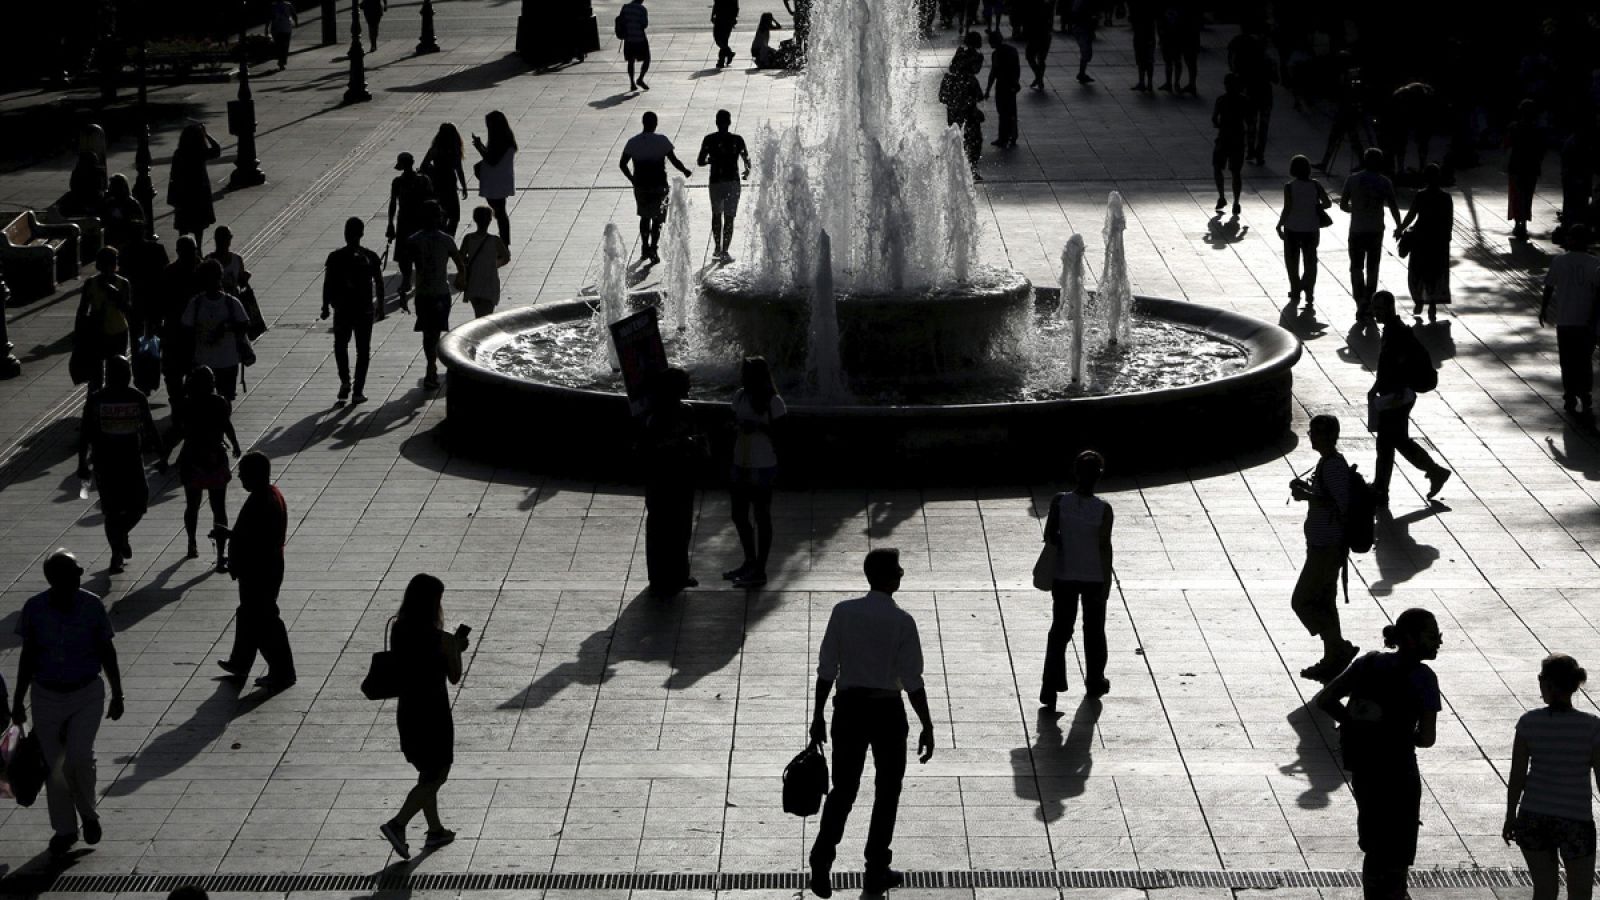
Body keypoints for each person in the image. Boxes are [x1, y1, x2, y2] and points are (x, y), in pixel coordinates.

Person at [807, 548, 935, 899]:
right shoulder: (902, 622)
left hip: (847, 709)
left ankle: (822, 856)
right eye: (897, 569)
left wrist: (818, 715)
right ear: (887, 577)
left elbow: (826, 668)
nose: (902, 573)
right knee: (887, 791)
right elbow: (913, 680)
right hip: (887, 713)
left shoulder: (843, 613)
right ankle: (876, 866)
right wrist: (927, 724)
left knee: (844, 789)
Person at [1316, 608, 1443, 900]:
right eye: (1432, 635)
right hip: (1399, 772)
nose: (1438, 642)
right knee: (1397, 848)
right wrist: (1397, 731)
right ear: (1411, 639)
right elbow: (1426, 738)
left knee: (1374, 844)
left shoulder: (1368, 663)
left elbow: (1327, 699)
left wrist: (1354, 722)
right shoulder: (1423, 678)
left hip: (1365, 767)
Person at [11, 550, 125, 858]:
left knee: (79, 757)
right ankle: (65, 829)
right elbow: (28, 657)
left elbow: (106, 651)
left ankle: (88, 815)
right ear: (55, 579)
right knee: (55, 766)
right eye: (74, 571)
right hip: (46, 695)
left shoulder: (91, 606)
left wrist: (117, 693)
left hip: (85, 692)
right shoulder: (35, 609)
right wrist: (18, 700)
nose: (81, 574)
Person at [378, 573, 465, 859]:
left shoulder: (398, 627)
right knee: (438, 775)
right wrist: (456, 650)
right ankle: (398, 823)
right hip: (434, 712)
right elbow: (454, 676)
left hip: (409, 710)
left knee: (427, 773)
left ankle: (435, 831)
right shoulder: (441, 639)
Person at [1503, 653, 1600, 900]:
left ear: (1546, 683)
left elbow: (1517, 775)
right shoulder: (1591, 727)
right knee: (1580, 893)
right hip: (1576, 819)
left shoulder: (1528, 723)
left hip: (1534, 816)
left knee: (1544, 891)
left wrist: (1510, 815)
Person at [1040, 450, 1113, 707]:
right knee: (1094, 630)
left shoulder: (1060, 502)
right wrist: (1106, 583)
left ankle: (1050, 685)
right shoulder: (1103, 510)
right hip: (1093, 577)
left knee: (1060, 630)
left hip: (1064, 575)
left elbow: (1050, 536)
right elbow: (1105, 547)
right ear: (1099, 476)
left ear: (1075, 472)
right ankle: (1094, 680)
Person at [1288, 415, 1357, 682]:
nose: (1310, 436)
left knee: (1302, 601)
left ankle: (1338, 646)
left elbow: (1341, 504)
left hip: (1328, 547)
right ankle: (1333, 657)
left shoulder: (1334, 466)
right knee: (1325, 602)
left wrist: (1307, 495)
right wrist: (1308, 490)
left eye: (1315, 432)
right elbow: (1327, 497)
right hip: (1321, 545)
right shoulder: (1327, 463)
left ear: (1329, 436)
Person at [219, 452, 296, 691]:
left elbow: (257, 541)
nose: (239, 477)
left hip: (260, 571)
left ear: (255, 474)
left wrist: (231, 538)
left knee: (265, 621)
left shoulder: (263, 501)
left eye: (243, 473)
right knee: (248, 615)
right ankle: (240, 662)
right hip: (263, 568)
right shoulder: (268, 495)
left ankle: (282, 672)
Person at [78, 356, 161, 574]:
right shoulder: (99, 399)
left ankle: (120, 536)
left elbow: (150, 427)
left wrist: (162, 452)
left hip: (127, 460)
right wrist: (82, 463)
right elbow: (86, 431)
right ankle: (116, 552)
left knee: (136, 505)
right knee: (114, 510)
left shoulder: (135, 398)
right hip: (110, 463)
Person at [1369, 290, 1452, 507]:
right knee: (1394, 442)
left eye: (1378, 308)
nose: (1375, 313)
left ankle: (1383, 488)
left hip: (1397, 398)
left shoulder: (1397, 332)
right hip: (1393, 395)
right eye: (1374, 308)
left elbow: (1398, 365)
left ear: (1389, 308)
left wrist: (1391, 390)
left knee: (1388, 443)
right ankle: (1431, 472)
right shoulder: (1391, 330)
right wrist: (1376, 387)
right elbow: (1387, 367)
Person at [161, 366, 242, 560]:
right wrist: (235, 444)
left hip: (192, 459)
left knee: (192, 505)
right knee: (218, 507)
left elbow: (177, 434)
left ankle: (192, 542)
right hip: (214, 458)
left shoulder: (186, 405)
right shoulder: (219, 402)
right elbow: (227, 425)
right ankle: (221, 551)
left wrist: (164, 457)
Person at [643, 367, 705, 597]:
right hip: (662, 479)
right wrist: (680, 443)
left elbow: (697, 437)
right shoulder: (656, 417)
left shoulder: (687, 411)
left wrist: (696, 445)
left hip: (682, 477)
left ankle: (679, 572)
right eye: (685, 383)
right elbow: (653, 447)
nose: (689, 387)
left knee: (681, 526)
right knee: (661, 527)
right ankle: (659, 575)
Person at [724, 357, 785, 588]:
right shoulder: (740, 396)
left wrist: (758, 427)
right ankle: (749, 561)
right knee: (739, 514)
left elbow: (781, 435)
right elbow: (732, 421)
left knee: (761, 516)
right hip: (741, 462)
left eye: (746, 373)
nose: (742, 376)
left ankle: (760, 568)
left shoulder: (773, 401)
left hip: (763, 465)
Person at [1539, 224, 1600, 422]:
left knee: (1567, 362)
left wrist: (1543, 308)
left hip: (1565, 321)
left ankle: (1570, 395)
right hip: (1586, 322)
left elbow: (1549, 286)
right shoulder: (1594, 263)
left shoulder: (1559, 261)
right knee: (1584, 361)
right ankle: (1585, 396)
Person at [322, 217, 386, 404]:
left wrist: (325, 306)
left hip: (342, 309)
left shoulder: (335, 257)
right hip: (364, 310)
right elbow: (380, 283)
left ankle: (344, 381)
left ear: (345, 233)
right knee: (363, 350)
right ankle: (358, 391)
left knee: (340, 346)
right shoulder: (371, 256)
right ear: (362, 233)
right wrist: (380, 306)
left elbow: (328, 283)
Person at [620, 112, 694, 265]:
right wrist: (685, 170)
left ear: (643, 123)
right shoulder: (662, 141)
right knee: (658, 219)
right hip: (659, 186)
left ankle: (645, 246)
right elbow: (674, 160)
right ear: (655, 124)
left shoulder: (633, 142)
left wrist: (632, 179)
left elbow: (622, 164)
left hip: (641, 185)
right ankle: (653, 247)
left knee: (644, 216)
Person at [1340, 148, 1403, 322]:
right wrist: (1399, 226)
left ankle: (1359, 300)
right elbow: (1393, 206)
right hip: (1376, 230)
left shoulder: (1352, 179)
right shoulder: (1384, 182)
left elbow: (1343, 205)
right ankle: (1370, 300)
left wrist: (1357, 209)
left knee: (1356, 266)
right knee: (1373, 267)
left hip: (1357, 229)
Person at [181, 259, 250, 401]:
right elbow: (186, 330)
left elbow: (244, 325)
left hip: (226, 361)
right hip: (205, 363)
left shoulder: (230, 303)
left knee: (225, 398)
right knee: (210, 401)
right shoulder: (197, 303)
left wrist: (226, 327)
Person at [1398, 164, 1454, 322]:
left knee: (1417, 271)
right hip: (1438, 239)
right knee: (1435, 272)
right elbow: (1449, 221)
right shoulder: (1446, 197)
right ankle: (1433, 305)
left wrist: (1401, 228)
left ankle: (1419, 299)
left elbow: (1411, 215)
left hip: (1421, 237)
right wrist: (1446, 239)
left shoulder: (1421, 195)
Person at [1277, 154, 1332, 312]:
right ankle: (1309, 291)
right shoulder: (1315, 185)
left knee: (1292, 262)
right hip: (1311, 228)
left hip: (1292, 228)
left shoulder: (1289, 186)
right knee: (1310, 261)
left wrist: (1279, 224)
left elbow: (1287, 208)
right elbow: (1327, 203)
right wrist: (1315, 206)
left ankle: (1295, 290)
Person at [156, 236, 201, 427]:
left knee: (179, 375)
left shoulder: (173, 272)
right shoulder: (196, 270)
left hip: (183, 333)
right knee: (179, 374)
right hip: (183, 333)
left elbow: (159, 304)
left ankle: (181, 408)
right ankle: (182, 407)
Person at [76, 247, 133, 393]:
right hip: (100, 331)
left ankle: (108, 397)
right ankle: (97, 399)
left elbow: (127, 309)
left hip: (117, 331)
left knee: (114, 369)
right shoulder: (91, 283)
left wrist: (114, 294)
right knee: (97, 373)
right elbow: (82, 311)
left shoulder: (122, 283)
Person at [697, 110, 751, 262]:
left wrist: (711, 160)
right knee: (729, 217)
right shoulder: (737, 139)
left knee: (716, 214)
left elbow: (700, 161)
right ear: (729, 122)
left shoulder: (709, 139)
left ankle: (717, 247)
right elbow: (746, 159)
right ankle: (725, 250)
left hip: (716, 181)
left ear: (716, 122)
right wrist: (746, 171)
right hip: (732, 182)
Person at [387, 151, 435, 299]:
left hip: (409, 221)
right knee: (410, 253)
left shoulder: (401, 182)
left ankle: (410, 280)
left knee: (408, 253)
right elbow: (431, 199)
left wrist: (390, 223)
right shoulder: (421, 180)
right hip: (416, 221)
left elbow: (393, 204)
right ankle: (410, 280)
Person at [1226, 22, 1275, 164]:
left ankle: (1251, 151)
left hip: (1252, 93)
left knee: (1251, 124)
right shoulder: (1268, 60)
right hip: (1266, 94)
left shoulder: (1247, 59)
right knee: (1263, 126)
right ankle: (1260, 153)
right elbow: (1276, 79)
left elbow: (1235, 68)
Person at [167, 123, 222, 245]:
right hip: (198, 193)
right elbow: (217, 150)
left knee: (183, 226)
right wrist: (207, 135)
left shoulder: (179, 153)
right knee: (198, 226)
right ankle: (198, 248)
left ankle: (183, 247)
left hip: (183, 194)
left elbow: (173, 175)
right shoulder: (200, 152)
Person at [1211, 74, 1255, 216]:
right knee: (1236, 172)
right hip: (1238, 139)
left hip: (1224, 138)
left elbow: (1214, 119)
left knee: (1218, 167)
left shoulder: (1221, 100)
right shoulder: (1244, 101)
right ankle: (1236, 201)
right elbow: (1250, 122)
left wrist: (1221, 125)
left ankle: (1222, 196)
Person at [939, 54, 985, 181]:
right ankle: (971, 170)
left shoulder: (948, 79)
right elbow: (979, 96)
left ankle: (953, 170)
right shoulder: (970, 80)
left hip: (953, 119)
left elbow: (942, 98)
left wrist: (954, 102)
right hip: (969, 119)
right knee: (973, 144)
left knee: (956, 142)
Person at [473, 111, 517, 243]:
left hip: (496, 183)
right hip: (498, 181)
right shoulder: (505, 139)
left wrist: (479, 148)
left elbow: (492, 160)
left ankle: (504, 242)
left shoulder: (501, 142)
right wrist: (480, 145)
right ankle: (505, 241)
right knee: (500, 213)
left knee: (500, 213)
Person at [458, 206, 510, 318]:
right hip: (489, 282)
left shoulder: (468, 238)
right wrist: (493, 264)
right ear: (490, 220)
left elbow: (460, 257)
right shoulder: (495, 240)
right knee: (487, 316)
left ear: (475, 219)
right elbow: (506, 257)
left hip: (474, 282)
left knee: (478, 314)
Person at [1507, 99, 1546, 241]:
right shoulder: (1538, 130)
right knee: (1527, 196)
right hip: (1531, 167)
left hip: (1516, 166)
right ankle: (1523, 223)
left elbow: (1507, 144)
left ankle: (1518, 222)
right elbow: (1542, 150)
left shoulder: (1514, 127)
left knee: (1516, 196)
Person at [421, 124, 469, 236]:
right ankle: (449, 237)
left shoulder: (434, 149)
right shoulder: (454, 150)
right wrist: (464, 187)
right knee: (454, 216)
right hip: (450, 184)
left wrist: (433, 170)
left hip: (436, 184)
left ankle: (440, 235)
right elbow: (459, 170)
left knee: (441, 213)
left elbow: (424, 166)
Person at [983, 30, 1021, 149]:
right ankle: (1011, 136)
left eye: (990, 41)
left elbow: (993, 73)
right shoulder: (1011, 51)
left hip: (1003, 86)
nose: (989, 44)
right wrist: (1015, 83)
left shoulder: (997, 54)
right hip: (1009, 85)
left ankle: (1004, 137)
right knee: (1010, 112)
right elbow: (1016, 69)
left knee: (1003, 112)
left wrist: (988, 89)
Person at [100, 174, 146, 255]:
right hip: (113, 237)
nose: (109, 189)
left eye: (112, 186)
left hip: (126, 238)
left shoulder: (131, 203)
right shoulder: (110, 202)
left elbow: (137, 224)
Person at [208, 225, 250, 298]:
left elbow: (241, 283)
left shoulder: (237, 259)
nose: (225, 241)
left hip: (232, 303)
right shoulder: (208, 261)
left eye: (227, 238)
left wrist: (245, 277)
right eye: (223, 238)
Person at [619, 0, 652, 91]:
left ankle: (632, 83)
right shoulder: (642, 9)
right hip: (640, 39)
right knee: (647, 59)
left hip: (629, 39)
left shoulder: (625, 7)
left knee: (631, 61)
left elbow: (621, 21)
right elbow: (644, 24)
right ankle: (640, 79)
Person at [1127, 0, 1155, 91]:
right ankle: (1148, 83)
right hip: (1148, 35)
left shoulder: (1135, 7)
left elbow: (1131, 18)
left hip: (1141, 35)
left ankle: (1143, 82)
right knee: (1147, 60)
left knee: (1141, 59)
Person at [1024, 0, 1052, 91]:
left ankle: (1038, 77)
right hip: (1045, 34)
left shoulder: (1030, 5)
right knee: (1041, 59)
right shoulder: (1047, 5)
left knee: (1030, 57)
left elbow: (1027, 20)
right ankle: (1039, 78)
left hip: (1035, 35)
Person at [1068, 0, 1096, 84]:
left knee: (1086, 52)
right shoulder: (1080, 2)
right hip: (1082, 27)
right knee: (1086, 52)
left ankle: (1082, 73)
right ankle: (1081, 74)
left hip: (1082, 27)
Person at [266, 0, 297, 70]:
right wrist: (296, 22)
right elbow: (294, 14)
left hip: (276, 29)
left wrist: (266, 28)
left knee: (279, 46)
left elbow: (269, 18)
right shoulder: (288, 5)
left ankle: (281, 61)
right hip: (286, 28)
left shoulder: (273, 6)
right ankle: (282, 62)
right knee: (285, 46)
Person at [711, 0, 738, 68]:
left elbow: (736, 7)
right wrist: (712, 15)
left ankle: (721, 61)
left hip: (728, 18)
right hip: (720, 17)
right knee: (719, 39)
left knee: (723, 40)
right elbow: (716, 4)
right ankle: (728, 54)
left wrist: (734, 18)